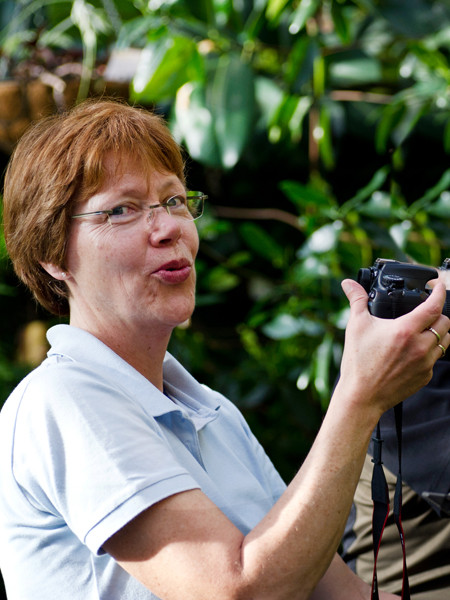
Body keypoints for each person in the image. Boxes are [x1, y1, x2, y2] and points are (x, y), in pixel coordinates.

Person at [0, 98, 448, 600]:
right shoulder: (62, 399)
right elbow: (235, 593)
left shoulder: (212, 412)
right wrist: (360, 396)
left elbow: (336, 594)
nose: (168, 227)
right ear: (52, 255)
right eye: (121, 210)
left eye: (173, 201)